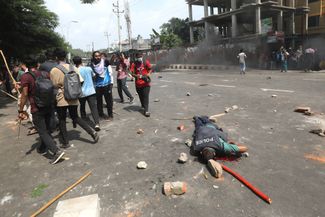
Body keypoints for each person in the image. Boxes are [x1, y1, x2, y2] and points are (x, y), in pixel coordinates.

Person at [18, 56, 65, 164]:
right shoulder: (44, 74)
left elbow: (25, 94)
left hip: (36, 107)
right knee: (47, 129)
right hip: (48, 105)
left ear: (26, 65)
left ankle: (56, 151)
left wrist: (21, 110)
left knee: (42, 131)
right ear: (37, 64)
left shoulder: (26, 77)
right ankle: (42, 147)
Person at [50, 48, 99, 148]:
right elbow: (81, 81)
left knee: (62, 119)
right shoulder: (73, 68)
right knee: (75, 117)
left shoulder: (54, 70)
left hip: (62, 98)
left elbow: (54, 85)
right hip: (74, 97)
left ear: (56, 58)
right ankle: (92, 132)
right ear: (65, 57)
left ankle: (65, 142)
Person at [72, 56, 100, 131]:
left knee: (82, 105)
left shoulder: (74, 71)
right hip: (91, 91)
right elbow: (94, 76)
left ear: (74, 63)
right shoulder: (88, 68)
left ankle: (84, 119)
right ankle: (97, 124)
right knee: (93, 108)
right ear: (81, 61)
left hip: (81, 92)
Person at [91, 51, 114, 120]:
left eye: (99, 56)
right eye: (96, 56)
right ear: (93, 57)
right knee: (99, 102)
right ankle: (101, 114)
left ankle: (110, 115)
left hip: (106, 85)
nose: (98, 57)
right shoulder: (92, 65)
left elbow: (110, 62)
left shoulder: (104, 62)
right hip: (97, 86)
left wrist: (113, 57)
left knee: (109, 101)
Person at [130, 52, 152, 117]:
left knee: (145, 97)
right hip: (138, 84)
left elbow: (150, 69)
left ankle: (146, 110)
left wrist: (148, 74)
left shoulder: (145, 62)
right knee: (141, 96)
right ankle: (143, 105)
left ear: (142, 56)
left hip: (146, 83)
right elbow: (132, 73)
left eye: (140, 57)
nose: (139, 58)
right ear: (136, 58)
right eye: (138, 57)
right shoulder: (134, 64)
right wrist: (137, 76)